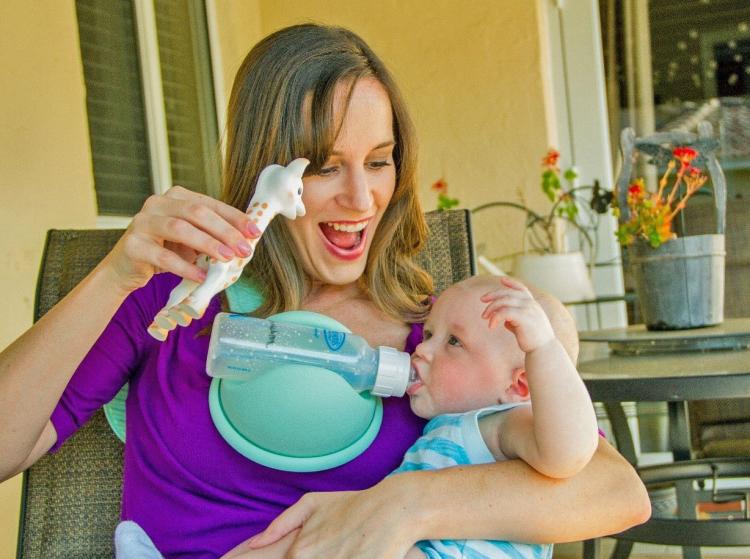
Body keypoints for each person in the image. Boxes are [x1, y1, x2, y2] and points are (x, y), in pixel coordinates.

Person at [0, 23, 650, 559]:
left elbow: (615, 490)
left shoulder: (445, 339)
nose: (361, 199)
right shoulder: (173, 304)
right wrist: (116, 274)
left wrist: (401, 505)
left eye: (378, 160)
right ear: (267, 168)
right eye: (326, 167)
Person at [219, 274, 596, 559]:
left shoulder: (502, 423)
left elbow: (569, 454)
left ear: (520, 386)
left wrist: (543, 348)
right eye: (429, 332)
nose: (422, 350)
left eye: (454, 342)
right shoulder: (445, 428)